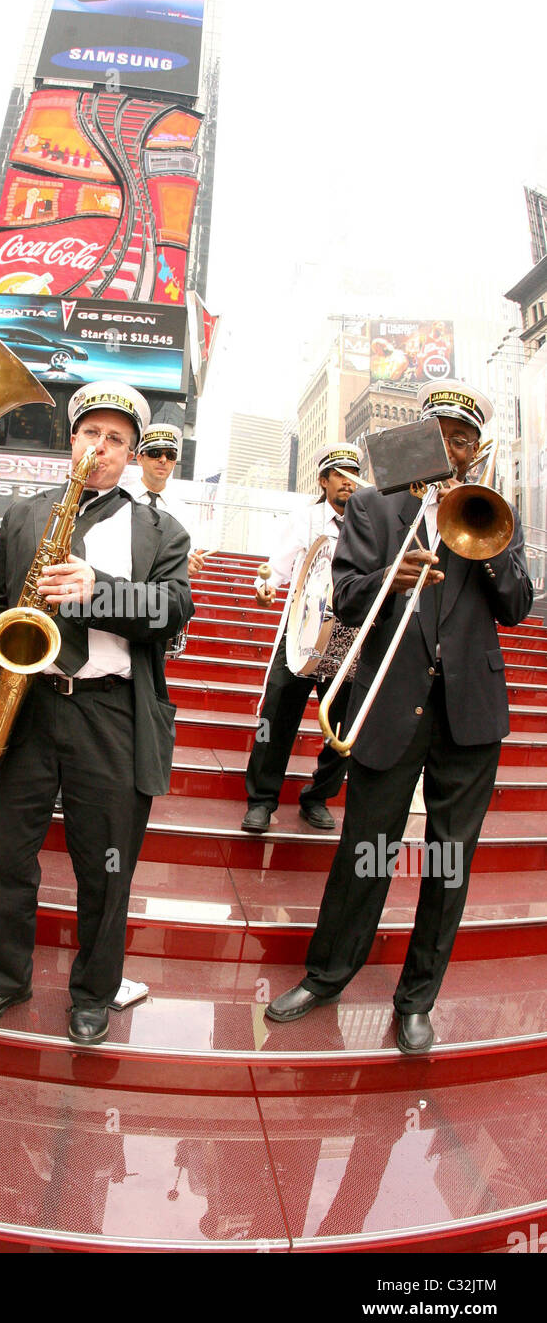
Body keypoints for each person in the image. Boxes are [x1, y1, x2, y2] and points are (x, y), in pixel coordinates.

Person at [267, 382, 533, 1054]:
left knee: (449, 861)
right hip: (390, 701)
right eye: (440, 433)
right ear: (417, 439)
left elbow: (518, 607)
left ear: (477, 453)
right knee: (367, 847)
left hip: (470, 708)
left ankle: (418, 998)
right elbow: (348, 597)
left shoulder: (496, 509)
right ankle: (327, 976)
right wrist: (396, 572)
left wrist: (493, 541)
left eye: (464, 439)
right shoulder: (372, 505)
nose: (451, 447)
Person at [0, 379, 194, 1046]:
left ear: (134, 452)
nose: (101, 448)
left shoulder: (161, 529)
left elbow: (174, 611)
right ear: (73, 440)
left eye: (116, 440)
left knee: (107, 863)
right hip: (28, 701)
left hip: (110, 712)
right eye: (91, 434)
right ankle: (3, 978)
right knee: (4, 853)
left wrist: (102, 590)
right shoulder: (28, 515)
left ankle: (93, 991)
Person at [242, 443, 362, 834]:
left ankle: (318, 797)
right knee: (276, 715)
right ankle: (261, 801)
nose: (347, 482)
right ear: (324, 481)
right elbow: (276, 569)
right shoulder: (303, 519)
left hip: (349, 637)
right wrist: (267, 588)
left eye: (353, 474)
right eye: (339, 474)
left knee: (343, 724)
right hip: (301, 632)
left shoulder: (369, 521)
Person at [132, 422, 208, 578]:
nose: (163, 460)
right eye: (155, 453)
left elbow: (186, 557)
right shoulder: (122, 500)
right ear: (140, 459)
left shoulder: (183, 512)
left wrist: (189, 566)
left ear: (174, 462)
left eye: (170, 455)